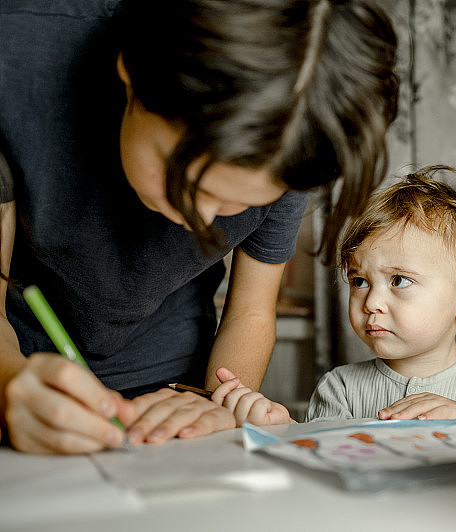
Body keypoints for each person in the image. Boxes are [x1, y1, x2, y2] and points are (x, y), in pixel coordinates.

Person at [0, 0, 398, 454]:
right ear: (130, 72)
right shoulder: (14, 61)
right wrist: (10, 381)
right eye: (186, 182)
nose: (202, 220)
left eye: (240, 203)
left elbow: (250, 311)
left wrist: (220, 402)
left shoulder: (293, 130)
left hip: (173, 386)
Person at [214, 165, 456, 431]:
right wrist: (282, 432)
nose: (371, 302)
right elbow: (322, 473)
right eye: (359, 281)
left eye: (399, 280)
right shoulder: (339, 388)